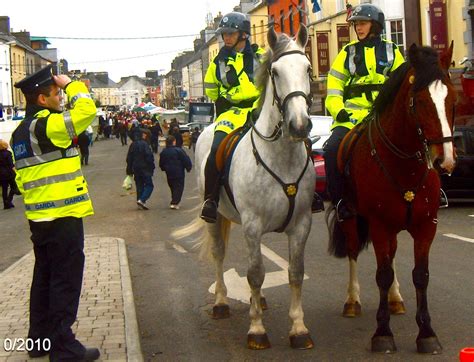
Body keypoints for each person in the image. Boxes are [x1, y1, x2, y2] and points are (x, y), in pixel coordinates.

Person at [10, 65, 100, 361]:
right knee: (65, 280)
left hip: (39, 218)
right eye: (56, 93)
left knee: (45, 278)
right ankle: (63, 347)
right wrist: (73, 84)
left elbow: (21, 179)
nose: (61, 97)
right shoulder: (47, 124)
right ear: (41, 99)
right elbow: (87, 111)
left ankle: (39, 341)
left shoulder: (19, 134)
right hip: (63, 215)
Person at [324, 4, 405, 222]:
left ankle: (424, 193)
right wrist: (338, 110)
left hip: (383, 117)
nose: (358, 28)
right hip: (351, 118)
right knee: (331, 149)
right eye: (356, 24)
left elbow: (402, 86)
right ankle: (339, 201)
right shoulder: (346, 53)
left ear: (375, 25)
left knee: (417, 141)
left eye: (362, 23)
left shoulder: (392, 51)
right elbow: (334, 87)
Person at [200, 11, 265, 223]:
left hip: (259, 110)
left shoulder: (261, 56)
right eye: (224, 34)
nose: (226, 37)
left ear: (244, 34)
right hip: (231, 114)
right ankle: (211, 200)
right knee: (216, 149)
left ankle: (306, 193)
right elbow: (211, 91)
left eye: (230, 33)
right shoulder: (216, 63)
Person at [159, 135, 192, 209]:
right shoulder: (179, 150)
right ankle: (175, 202)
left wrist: (163, 168)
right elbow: (185, 159)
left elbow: (161, 162)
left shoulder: (164, 152)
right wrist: (188, 167)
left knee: (172, 186)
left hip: (169, 172)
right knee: (179, 187)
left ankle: (174, 199)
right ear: (174, 142)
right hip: (178, 171)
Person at [126, 129, 155, 210]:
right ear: (143, 135)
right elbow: (149, 156)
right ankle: (142, 200)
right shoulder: (145, 144)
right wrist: (152, 166)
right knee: (149, 185)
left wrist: (129, 170)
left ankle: (140, 201)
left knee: (139, 185)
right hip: (145, 168)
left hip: (136, 168)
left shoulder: (133, 144)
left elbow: (129, 158)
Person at [0, 139, 17, 209]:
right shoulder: (7, 153)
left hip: (1, 174)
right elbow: (11, 164)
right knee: (14, 187)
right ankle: (9, 201)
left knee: (4, 189)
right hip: (9, 173)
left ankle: (5, 204)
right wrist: (16, 172)